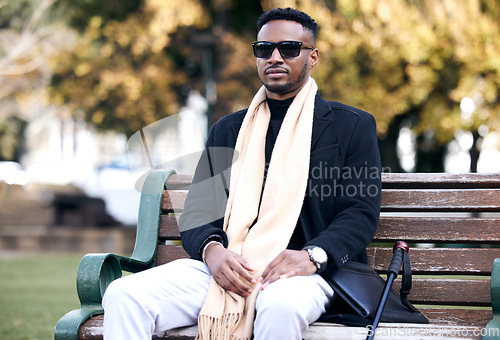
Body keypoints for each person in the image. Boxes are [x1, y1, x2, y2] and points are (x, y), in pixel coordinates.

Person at [102, 7, 381, 340]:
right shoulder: (229, 130)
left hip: (307, 273)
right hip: (230, 267)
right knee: (124, 295)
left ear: (313, 56)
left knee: (280, 307)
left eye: (289, 48)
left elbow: (359, 212)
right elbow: (198, 212)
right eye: (264, 49)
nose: (275, 57)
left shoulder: (350, 126)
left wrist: (312, 256)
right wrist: (212, 252)